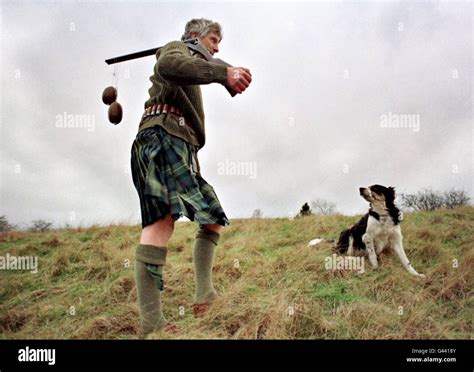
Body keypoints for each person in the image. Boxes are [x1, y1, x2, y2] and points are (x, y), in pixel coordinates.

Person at [130, 18, 252, 338]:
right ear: (195, 37)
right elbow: (170, 64)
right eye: (213, 39)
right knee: (161, 224)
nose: (217, 47)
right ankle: (151, 324)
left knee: (212, 218)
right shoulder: (176, 49)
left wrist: (226, 74)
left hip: (183, 148)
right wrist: (222, 73)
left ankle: (204, 297)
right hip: (160, 138)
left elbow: (205, 65)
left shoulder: (195, 65)